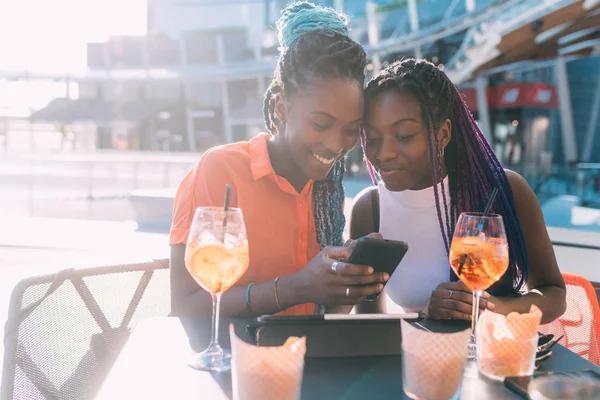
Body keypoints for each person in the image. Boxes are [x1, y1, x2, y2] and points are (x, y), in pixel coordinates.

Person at [169, 2, 388, 318]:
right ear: (282, 107)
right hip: (231, 362)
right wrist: (293, 288)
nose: (336, 144)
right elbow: (185, 306)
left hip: (305, 362)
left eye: (351, 129)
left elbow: (325, 316)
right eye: (321, 124)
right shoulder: (221, 169)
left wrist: (351, 281)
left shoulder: (327, 192)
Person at [350, 59, 566, 324]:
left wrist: (492, 308)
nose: (383, 153)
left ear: (442, 134)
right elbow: (367, 328)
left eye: (404, 135)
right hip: (418, 359)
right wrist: (426, 315)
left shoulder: (504, 191)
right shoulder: (370, 209)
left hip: (494, 358)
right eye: (372, 138)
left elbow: (554, 294)